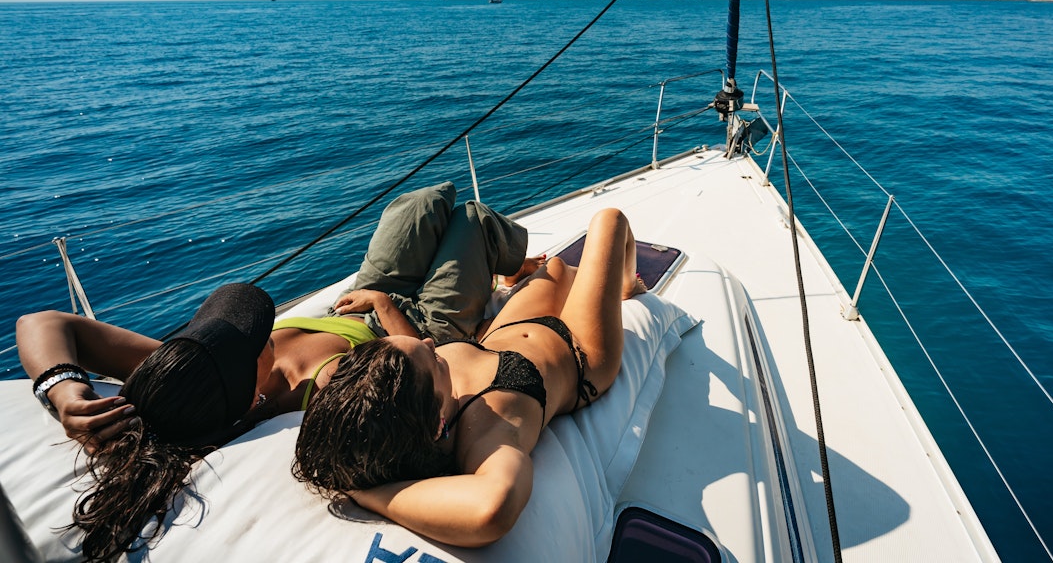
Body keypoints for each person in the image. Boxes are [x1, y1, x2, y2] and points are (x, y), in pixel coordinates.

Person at [15, 181, 530, 562]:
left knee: (421, 204)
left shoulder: (191, 366)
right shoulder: (319, 395)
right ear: (249, 400)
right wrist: (385, 306)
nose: (249, 333)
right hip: (417, 334)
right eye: (246, 338)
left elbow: (45, 322)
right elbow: (409, 361)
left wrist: (63, 391)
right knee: (471, 220)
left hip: (355, 306)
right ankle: (515, 265)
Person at [293, 207, 645, 547]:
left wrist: (385, 306)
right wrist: (368, 494)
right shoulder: (487, 438)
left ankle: (534, 277)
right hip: (580, 351)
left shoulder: (405, 397)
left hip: (509, 333)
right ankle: (629, 287)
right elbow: (492, 508)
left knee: (557, 266)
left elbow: (409, 360)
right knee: (609, 221)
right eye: (433, 359)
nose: (430, 342)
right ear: (435, 425)